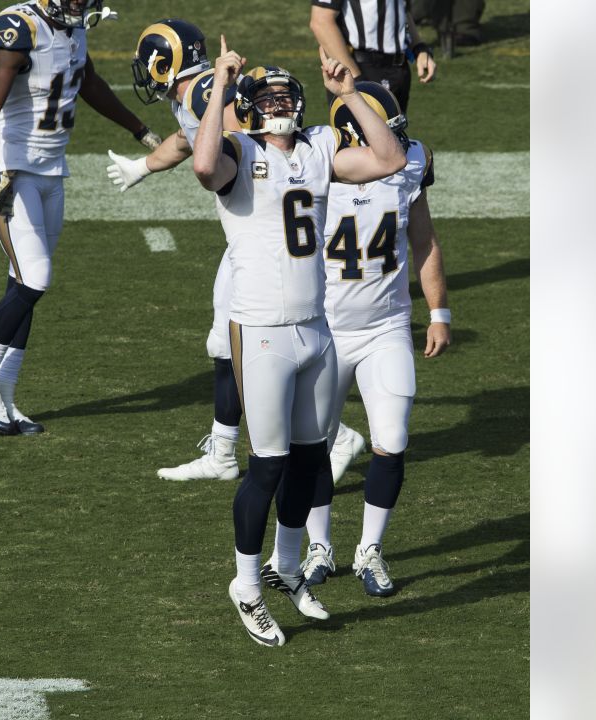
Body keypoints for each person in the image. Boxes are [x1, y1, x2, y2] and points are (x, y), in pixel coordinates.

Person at [193, 39, 406, 646]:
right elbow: (205, 167)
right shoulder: (240, 148)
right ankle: (246, 586)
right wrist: (222, 90)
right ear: (249, 106)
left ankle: (288, 571)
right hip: (260, 330)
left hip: (316, 327)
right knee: (267, 465)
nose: (280, 101)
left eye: (287, 93)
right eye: (267, 95)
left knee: (312, 460)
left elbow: (388, 159)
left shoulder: (316, 147)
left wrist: (349, 94)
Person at [0, 0, 163, 436]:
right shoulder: (20, 28)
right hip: (15, 170)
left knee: (22, 282)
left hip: (53, 171)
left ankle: (7, 397)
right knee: (35, 278)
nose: (81, 5)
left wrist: (137, 127)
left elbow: (87, 80)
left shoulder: (72, 29)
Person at [300, 81, 451, 598]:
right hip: (325, 326)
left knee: (393, 439)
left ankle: (370, 550)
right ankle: (319, 546)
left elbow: (423, 236)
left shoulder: (411, 162)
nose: (397, 139)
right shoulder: (312, 161)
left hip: (386, 325)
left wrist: (439, 311)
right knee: (313, 444)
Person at [106, 19, 245, 480]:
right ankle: (223, 453)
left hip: (262, 233)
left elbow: (240, 140)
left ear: (166, 64)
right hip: (248, 235)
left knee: (256, 346)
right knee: (224, 341)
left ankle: (332, 436)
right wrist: (141, 167)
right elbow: (189, 139)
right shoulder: (199, 92)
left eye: (149, 67)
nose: (146, 77)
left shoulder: (202, 92)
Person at [309, 0, 436, 113]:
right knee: (358, 137)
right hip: (360, 68)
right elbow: (321, 22)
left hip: (398, 70)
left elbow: (401, 9)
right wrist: (355, 80)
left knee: (395, 138)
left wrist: (419, 47)